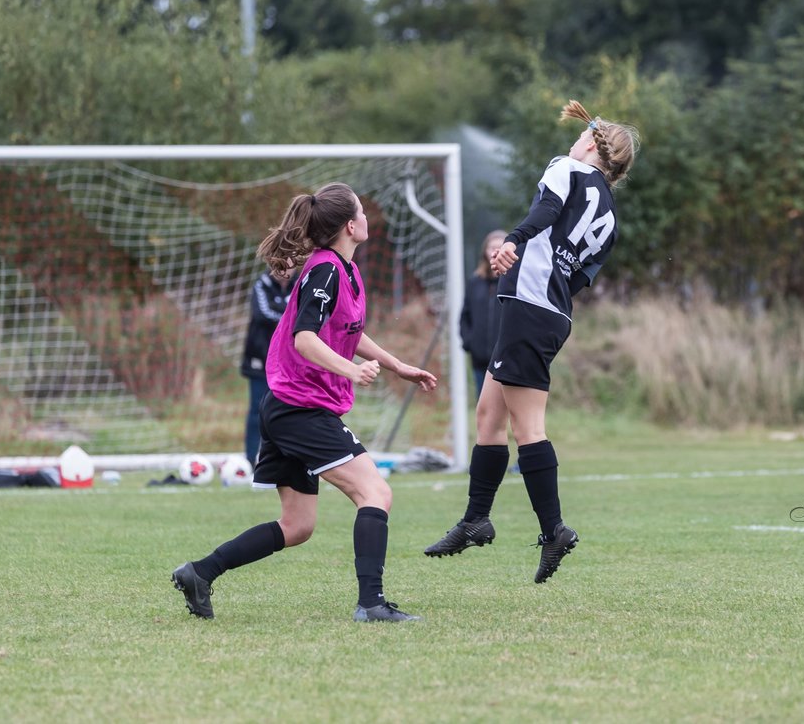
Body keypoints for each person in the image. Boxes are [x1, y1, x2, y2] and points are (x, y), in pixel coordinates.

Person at [172, 183, 438, 623]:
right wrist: (351, 371)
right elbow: (305, 338)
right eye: (362, 211)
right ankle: (371, 605)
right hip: (300, 409)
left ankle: (200, 573)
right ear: (351, 226)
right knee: (375, 492)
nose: (367, 217)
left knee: (297, 526)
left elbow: (347, 331)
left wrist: (397, 366)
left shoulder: (341, 270)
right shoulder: (326, 270)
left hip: (288, 406)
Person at [424, 100, 638, 583]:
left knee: (528, 428)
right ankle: (476, 519)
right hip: (551, 312)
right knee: (488, 416)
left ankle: (554, 530)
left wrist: (512, 242)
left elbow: (546, 209)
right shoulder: (609, 216)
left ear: (591, 144)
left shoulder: (568, 168)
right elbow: (584, 275)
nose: (575, 141)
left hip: (530, 309)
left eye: (583, 136)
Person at [240, 265, 296, 463]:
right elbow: (262, 314)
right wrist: (290, 317)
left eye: (289, 263)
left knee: (289, 410)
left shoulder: (300, 284)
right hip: (259, 358)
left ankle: (285, 458)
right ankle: (250, 459)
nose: (284, 269)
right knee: (258, 409)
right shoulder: (261, 284)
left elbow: (307, 313)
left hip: (289, 361)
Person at [459, 230, 506, 401]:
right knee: (484, 405)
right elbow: (465, 315)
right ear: (485, 251)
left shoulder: (514, 282)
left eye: (500, 247)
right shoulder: (474, 282)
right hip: (480, 359)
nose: (496, 251)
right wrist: (469, 342)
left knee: (508, 407)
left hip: (506, 360)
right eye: (492, 247)